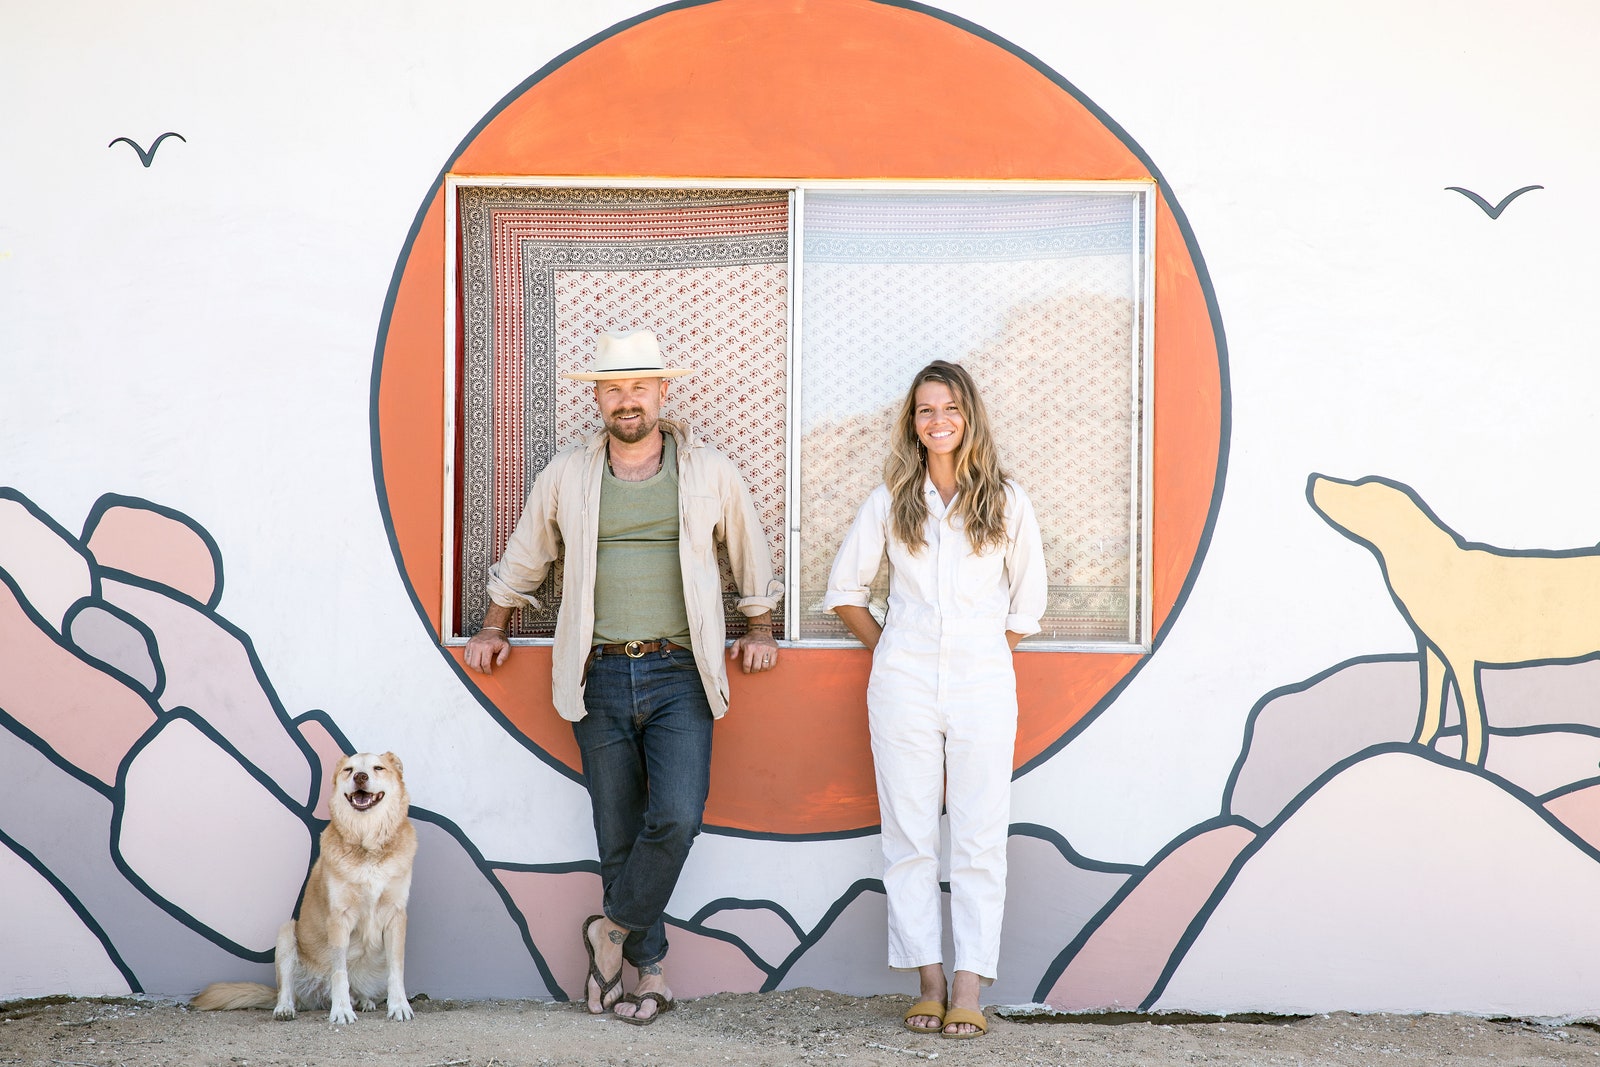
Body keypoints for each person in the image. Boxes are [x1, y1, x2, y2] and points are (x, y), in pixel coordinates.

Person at [464, 327, 781, 1025]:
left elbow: (749, 550)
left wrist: (760, 627)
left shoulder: (708, 471)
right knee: (618, 833)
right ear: (598, 399)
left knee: (675, 816)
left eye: (640, 386)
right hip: (598, 673)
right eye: (614, 389)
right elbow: (527, 554)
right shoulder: (569, 474)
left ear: (665, 392)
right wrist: (494, 623)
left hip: (679, 672)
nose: (627, 400)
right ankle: (653, 973)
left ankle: (609, 932)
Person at [823, 360, 1046, 1040]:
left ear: (968, 416)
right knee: (910, 834)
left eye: (948, 408)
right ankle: (928, 979)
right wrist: (895, 646)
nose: (937, 420)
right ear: (913, 423)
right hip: (904, 683)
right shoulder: (893, 499)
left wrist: (972, 649)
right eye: (925, 410)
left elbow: (1026, 605)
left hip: (984, 679)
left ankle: (970, 984)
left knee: (980, 834)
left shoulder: (1007, 500)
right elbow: (844, 591)